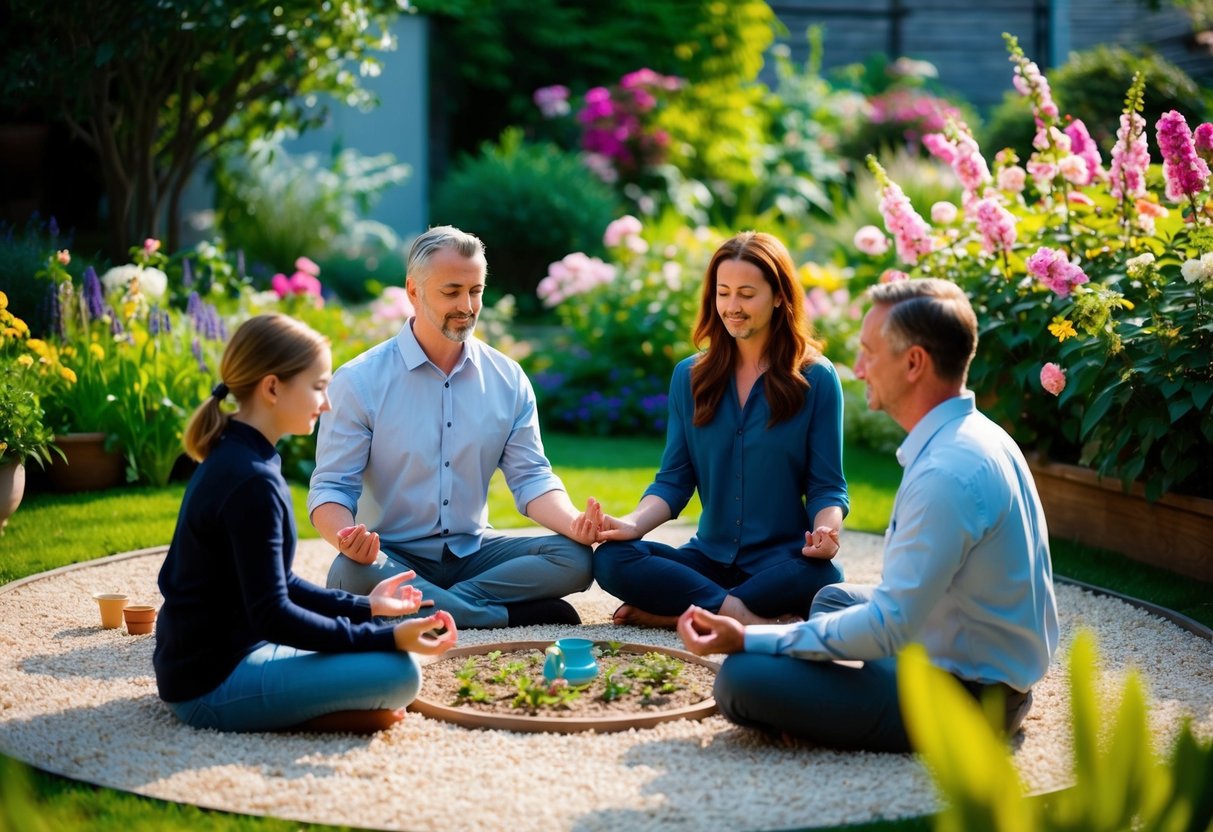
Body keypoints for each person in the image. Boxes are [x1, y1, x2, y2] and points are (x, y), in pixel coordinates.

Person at [677, 278, 1059, 752]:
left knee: (740, 678)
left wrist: (751, 638)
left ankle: (829, 706)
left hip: (969, 697)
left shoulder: (947, 472)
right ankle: (832, 696)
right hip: (958, 648)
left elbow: (888, 627)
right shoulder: (976, 435)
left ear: (914, 362)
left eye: (869, 353)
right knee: (833, 599)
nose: (857, 370)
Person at [154, 314, 458, 734]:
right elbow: (273, 615)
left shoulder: (241, 456)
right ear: (273, 387)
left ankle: (345, 706)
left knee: (385, 655)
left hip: (208, 663)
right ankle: (339, 715)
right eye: (318, 386)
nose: (328, 402)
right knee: (400, 673)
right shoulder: (251, 480)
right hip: (211, 685)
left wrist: (367, 607)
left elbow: (277, 584)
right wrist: (386, 637)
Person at [311, 225, 598, 629]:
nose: (467, 305)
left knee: (576, 559)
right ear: (414, 291)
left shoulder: (508, 378)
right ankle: (500, 615)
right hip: (392, 554)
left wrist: (573, 523)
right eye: (452, 291)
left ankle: (431, 608)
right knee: (349, 574)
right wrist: (347, 537)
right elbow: (331, 488)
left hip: (474, 551)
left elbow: (531, 477)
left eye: (476, 291)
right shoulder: (359, 381)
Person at [589, 231, 849, 629]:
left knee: (825, 579)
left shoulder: (815, 377)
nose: (732, 307)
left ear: (779, 296)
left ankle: (677, 614)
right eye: (723, 292)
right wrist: (633, 523)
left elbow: (827, 485)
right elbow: (674, 480)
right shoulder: (690, 377)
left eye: (747, 293)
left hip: (779, 564)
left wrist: (826, 531)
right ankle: (737, 616)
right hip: (707, 561)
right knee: (611, 558)